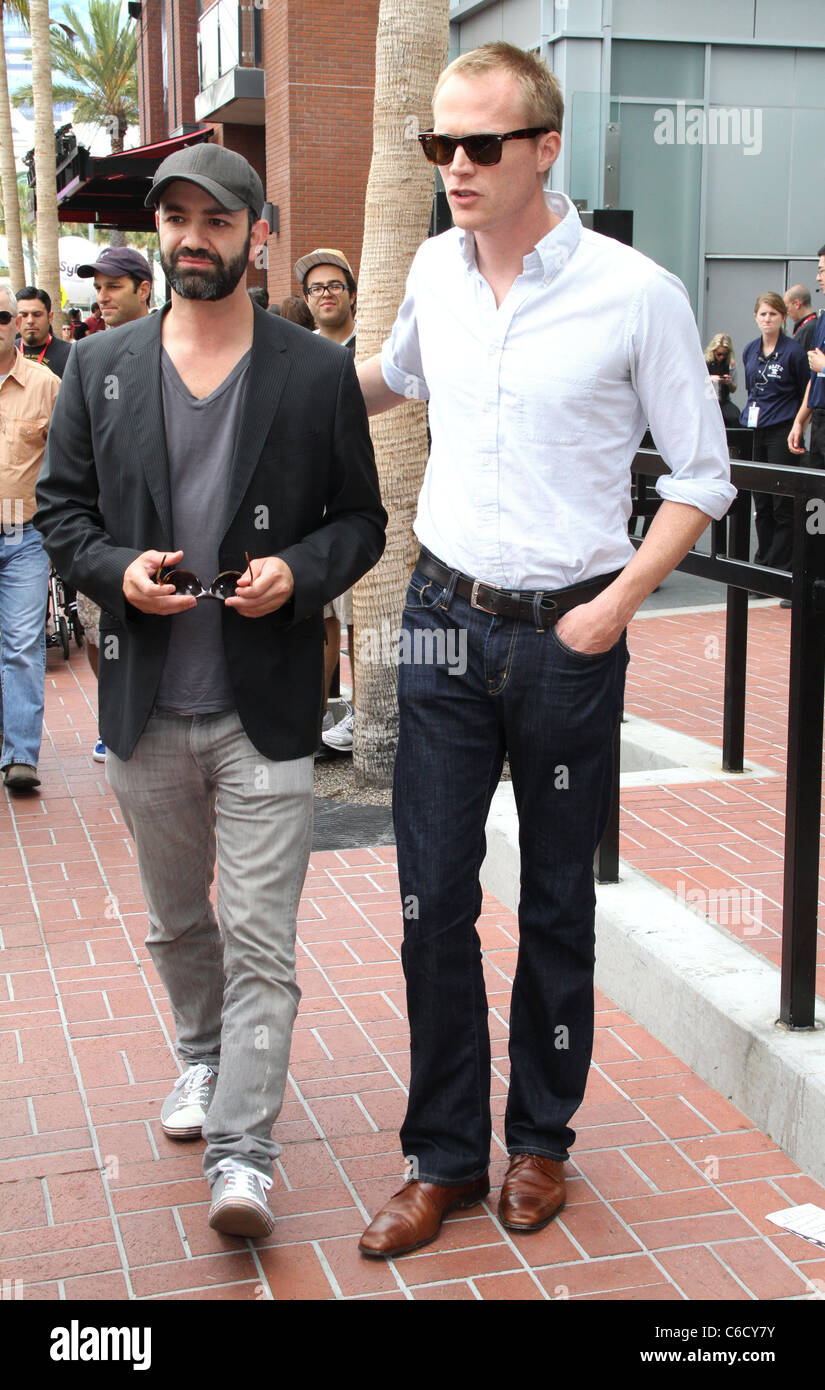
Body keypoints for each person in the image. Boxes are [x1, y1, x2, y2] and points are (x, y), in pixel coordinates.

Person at [354, 42, 735, 1259]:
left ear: (544, 147)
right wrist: (266, 378)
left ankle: (541, 1143)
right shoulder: (430, 267)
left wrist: (614, 606)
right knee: (430, 900)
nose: (455, 166)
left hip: (574, 633)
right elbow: (398, 376)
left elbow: (701, 479)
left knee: (559, 900)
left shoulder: (639, 293)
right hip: (440, 622)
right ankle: (443, 1155)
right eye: (439, 146)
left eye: (481, 145)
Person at [35, 143, 386, 1238]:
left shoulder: (315, 372)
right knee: (181, 921)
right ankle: (198, 1058)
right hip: (144, 706)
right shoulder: (102, 371)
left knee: (264, 939)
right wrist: (115, 573)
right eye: (175, 217)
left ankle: (246, 1153)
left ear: (258, 233)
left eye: (216, 219)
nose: (194, 236)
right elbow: (63, 515)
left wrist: (302, 573)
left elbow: (361, 522)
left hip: (266, 705)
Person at [76, 248, 155, 759]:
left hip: (153, 537)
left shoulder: (166, 353)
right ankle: (115, 712)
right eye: (98, 287)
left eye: (113, 286)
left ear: (143, 288)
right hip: (102, 539)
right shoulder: (87, 356)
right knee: (94, 629)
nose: (102, 297)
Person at [295, 248, 358, 752]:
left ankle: (365, 713)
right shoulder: (302, 354)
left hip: (363, 507)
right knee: (326, 616)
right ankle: (313, 719)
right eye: (316, 288)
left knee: (363, 616)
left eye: (334, 284)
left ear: (351, 293)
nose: (326, 294)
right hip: (314, 510)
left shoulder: (372, 345)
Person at [0, 284, 61, 791]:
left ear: (16, 323)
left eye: (1, 315)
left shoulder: (46, 385)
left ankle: (21, 756)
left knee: (22, 644)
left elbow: (69, 461)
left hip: (26, 537)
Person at [740, 291, 808, 603]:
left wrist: (798, 426)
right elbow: (751, 388)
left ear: (782, 317)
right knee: (761, 503)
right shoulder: (750, 350)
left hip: (782, 430)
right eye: (762, 314)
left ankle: (782, 569)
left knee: (782, 504)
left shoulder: (793, 352)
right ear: (755, 317)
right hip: (756, 429)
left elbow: (805, 387)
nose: (767, 319)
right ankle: (763, 565)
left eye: (773, 314)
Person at [789, 245, 825, 473]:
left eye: (822, 270)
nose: (818, 277)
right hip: (820, 420)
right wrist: (800, 421)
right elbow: (815, 374)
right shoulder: (822, 320)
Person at [77, 247, 154, 329]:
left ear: (143, 291)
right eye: (98, 288)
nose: (101, 299)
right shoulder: (98, 341)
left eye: (113, 287)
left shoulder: (165, 339)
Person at [15, 287, 72, 378]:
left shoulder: (70, 354)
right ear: (16, 319)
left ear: (50, 317)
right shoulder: (7, 352)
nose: (30, 320)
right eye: (24, 315)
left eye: (37, 315)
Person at [704, 333, 739, 427]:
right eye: (719, 354)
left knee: (734, 417)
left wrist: (729, 382)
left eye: (725, 354)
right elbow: (695, 383)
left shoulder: (730, 364)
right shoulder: (704, 362)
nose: (722, 357)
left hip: (724, 400)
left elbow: (733, 389)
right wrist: (710, 379)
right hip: (707, 399)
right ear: (713, 351)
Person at [784, 284, 818, 354]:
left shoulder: (807, 330)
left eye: (787, 308)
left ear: (797, 304)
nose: (786, 312)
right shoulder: (815, 325)